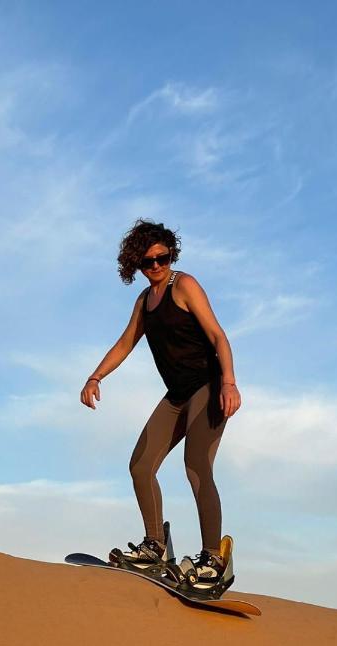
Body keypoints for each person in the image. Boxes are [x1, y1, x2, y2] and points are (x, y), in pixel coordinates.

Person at [80, 219, 241, 583]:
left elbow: (218, 336)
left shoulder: (184, 285)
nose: (156, 266)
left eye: (162, 258)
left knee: (196, 465)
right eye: (148, 262)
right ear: (136, 264)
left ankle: (214, 560)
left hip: (208, 385)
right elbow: (124, 344)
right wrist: (95, 377)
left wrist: (228, 382)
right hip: (177, 395)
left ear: (171, 254)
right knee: (140, 465)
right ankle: (155, 546)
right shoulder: (144, 301)